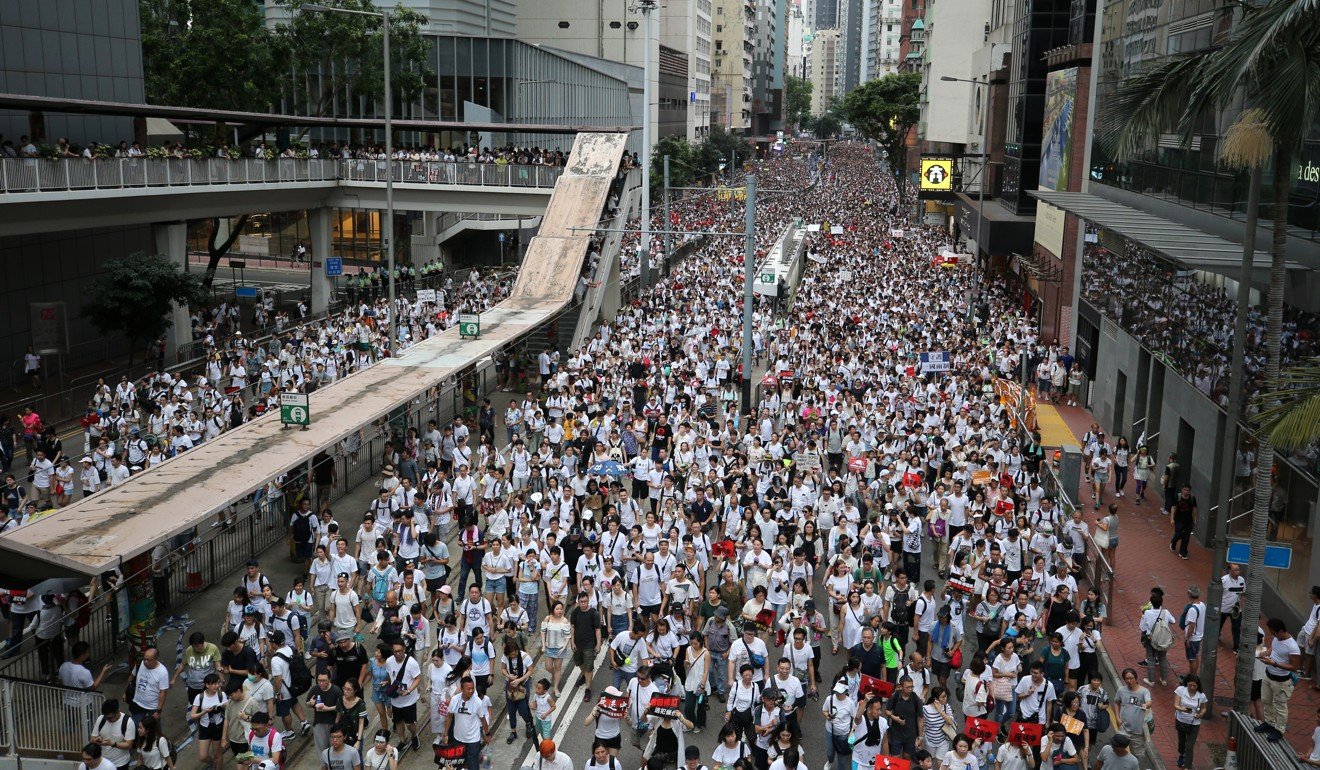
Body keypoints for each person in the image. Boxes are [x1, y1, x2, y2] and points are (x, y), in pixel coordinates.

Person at [1257, 616, 1302, 741]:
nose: (1272, 635)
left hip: (1281, 681)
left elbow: (1294, 667)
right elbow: (1274, 649)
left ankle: (1279, 730)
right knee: (1267, 700)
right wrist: (1266, 653)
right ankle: (1269, 722)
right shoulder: (1277, 638)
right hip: (1268, 676)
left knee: (1280, 707)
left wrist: (1274, 664)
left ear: (1281, 631)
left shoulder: (1292, 647)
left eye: (1273, 633)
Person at [443, 677, 491, 770]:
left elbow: (483, 719)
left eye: (472, 688)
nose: (471, 691)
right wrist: (446, 734)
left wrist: (487, 734)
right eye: (468, 689)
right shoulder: (455, 700)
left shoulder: (477, 702)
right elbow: (449, 716)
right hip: (458, 739)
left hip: (473, 740)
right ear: (461, 689)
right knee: (458, 765)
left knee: (473, 766)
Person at [383, 639, 422, 751]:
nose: (398, 653)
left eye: (400, 651)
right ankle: (402, 740)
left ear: (404, 649)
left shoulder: (411, 662)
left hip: (409, 700)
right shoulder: (389, 661)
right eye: (395, 651)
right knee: (398, 722)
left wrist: (409, 690)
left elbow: (418, 678)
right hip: (396, 699)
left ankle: (414, 735)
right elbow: (390, 675)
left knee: (409, 724)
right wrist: (387, 682)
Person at [90, 700, 134, 770]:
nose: (108, 720)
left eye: (110, 718)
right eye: (106, 718)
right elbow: (92, 739)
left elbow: (129, 745)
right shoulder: (101, 719)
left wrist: (113, 744)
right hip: (102, 762)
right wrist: (96, 740)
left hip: (120, 764)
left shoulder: (128, 722)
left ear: (118, 711)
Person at [1166, 485, 1197, 560]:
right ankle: (1173, 542)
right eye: (1185, 490)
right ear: (1182, 490)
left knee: (1186, 536)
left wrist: (1195, 519)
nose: (1186, 492)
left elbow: (1194, 509)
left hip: (1188, 520)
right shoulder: (1178, 497)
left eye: (1188, 490)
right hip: (1179, 519)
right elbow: (1174, 507)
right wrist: (1172, 518)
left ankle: (1183, 552)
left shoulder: (1192, 498)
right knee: (1179, 534)